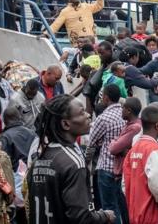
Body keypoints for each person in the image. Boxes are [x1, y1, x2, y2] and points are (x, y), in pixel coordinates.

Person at [27, 94, 115, 223]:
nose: (88, 115)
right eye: (81, 112)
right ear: (66, 124)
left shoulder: (39, 159)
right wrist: (105, 216)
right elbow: (81, 217)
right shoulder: (73, 163)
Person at [87, 84, 128, 224]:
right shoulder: (126, 114)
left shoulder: (103, 118)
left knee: (109, 208)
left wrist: (85, 163)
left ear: (105, 98)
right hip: (123, 168)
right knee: (124, 205)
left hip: (106, 168)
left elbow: (91, 143)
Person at [123, 104, 158, 224]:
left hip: (134, 213)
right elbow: (156, 183)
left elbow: (124, 184)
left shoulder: (133, 149)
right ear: (157, 126)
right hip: (151, 214)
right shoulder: (154, 150)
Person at [108, 97, 142, 176]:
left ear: (129, 111)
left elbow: (113, 149)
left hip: (124, 173)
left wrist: (114, 141)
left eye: (123, 108)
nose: (121, 110)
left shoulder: (134, 128)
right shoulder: (129, 124)